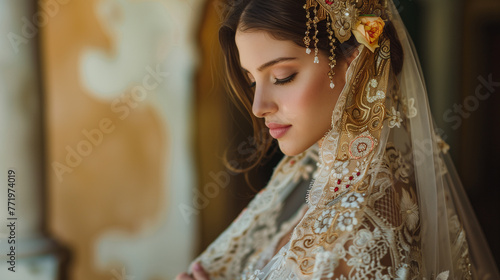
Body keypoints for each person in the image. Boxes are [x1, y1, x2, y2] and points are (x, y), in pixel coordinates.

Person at [176, 0, 500, 279]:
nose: (259, 107)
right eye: (251, 81)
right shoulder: (317, 187)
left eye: (281, 77)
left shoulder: (359, 230)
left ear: (355, 64)